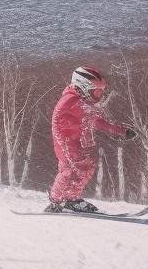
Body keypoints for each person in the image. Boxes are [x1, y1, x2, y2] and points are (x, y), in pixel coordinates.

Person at [47, 66, 135, 213]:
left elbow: (95, 120)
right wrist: (64, 143)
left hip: (73, 141)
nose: (99, 96)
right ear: (83, 86)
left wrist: (121, 131)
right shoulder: (70, 101)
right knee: (74, 169)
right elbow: (57, 120)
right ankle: (59, 201)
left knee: (78, 168)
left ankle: (67, 199)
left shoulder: (79, 100)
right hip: (66, 142)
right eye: (97, 92)